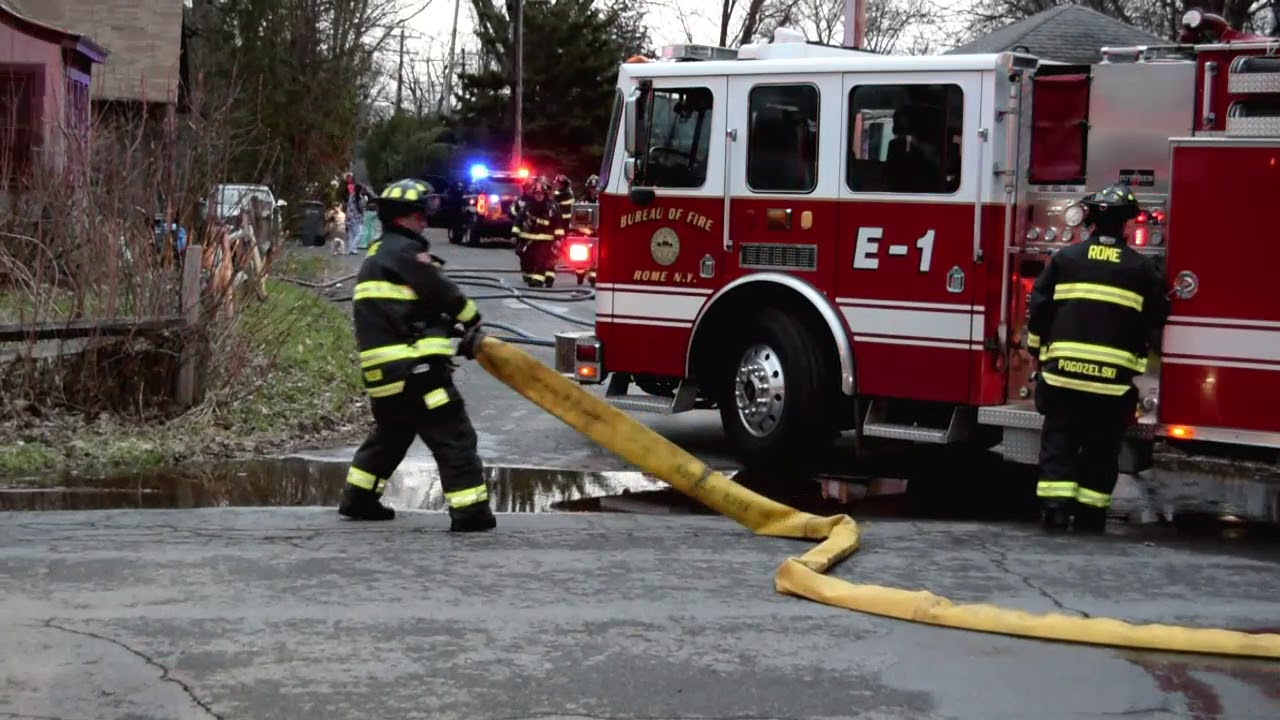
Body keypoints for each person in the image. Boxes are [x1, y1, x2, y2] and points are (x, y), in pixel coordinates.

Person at [338, 177, 497, 532]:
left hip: (384, 377)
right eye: (419, 214)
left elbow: (408, 310)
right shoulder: (406, 254)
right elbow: (442, 292)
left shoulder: (380, 255)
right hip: (416, 371)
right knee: (454, 435)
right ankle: (470, 513)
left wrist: (444, 325)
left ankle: (358, 499)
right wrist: (471, 319)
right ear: (402, 217)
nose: (425, 221)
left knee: (391, 436)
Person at [1026, 183, 1170, 532]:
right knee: (1102, 447)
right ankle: (1091, 513)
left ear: (1088, 219)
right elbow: (1156, 317)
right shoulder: (1141, 269)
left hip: (1063, 377)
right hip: (1112, 384)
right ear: (1125, 224)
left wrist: (1036, 352)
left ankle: (1056, 508)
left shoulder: (1065, 259)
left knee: (1059, 439)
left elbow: (1039, 309)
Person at [514, 178, 565, 288]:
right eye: (537, 194)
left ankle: (538, 280)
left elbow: (558, 224)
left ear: (545, 194)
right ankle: (532, 276)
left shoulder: (551, 208)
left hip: (545, 241)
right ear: (533, 194)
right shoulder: (527, 207)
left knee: (540, 259)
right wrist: (515, 234)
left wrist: (558, 239)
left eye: (541, 194)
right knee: (528, 259)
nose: (539, 196)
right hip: (528, 239)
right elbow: (518, 220)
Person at [341, 172, 372, 256]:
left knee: (351, 234)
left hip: (349, 218)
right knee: (359, 233)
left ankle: (351, 249)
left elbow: (348, 205)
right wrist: (366, 201)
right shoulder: (361, 198)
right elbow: (363, 208)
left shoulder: (351, 196)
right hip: (356, 219)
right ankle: (353, 248)